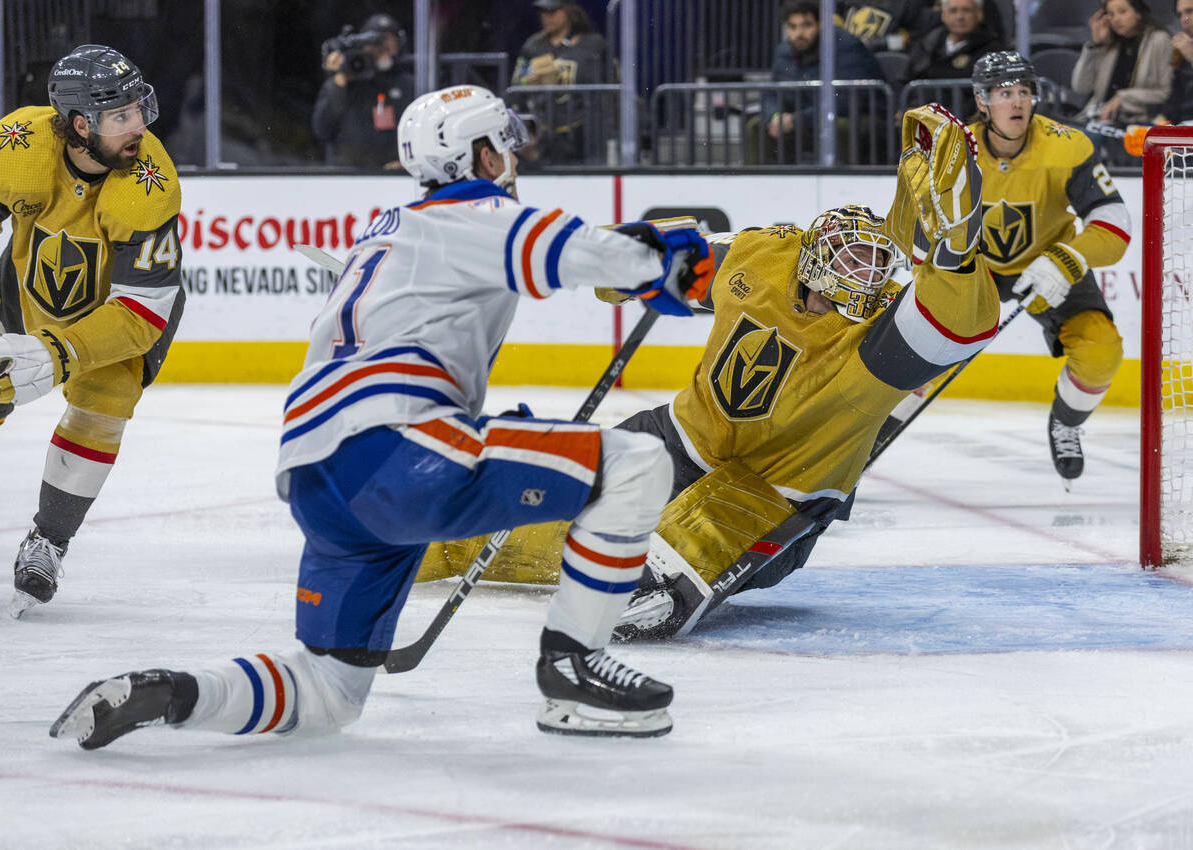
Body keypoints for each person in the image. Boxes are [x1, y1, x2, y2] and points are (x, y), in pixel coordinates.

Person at [49, 85, 716, 750]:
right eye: (503, 145)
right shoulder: (475, 214)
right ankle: (572, 668)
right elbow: (570, 250)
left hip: (321, 479)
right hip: (400, 452)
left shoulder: (386, 235)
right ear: (479, 156)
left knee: (330, 692)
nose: (512, 159)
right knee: (637, 464)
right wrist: (665, 261)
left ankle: (171, 693)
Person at [412, 103, 1000, 641]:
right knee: (539, 512)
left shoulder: (879, 340)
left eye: (877, 262)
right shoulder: (766, 253)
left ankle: (652, 575)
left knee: (644, 589)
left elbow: (956, 324)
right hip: (677, 438)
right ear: (814, 252)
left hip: (776, 491)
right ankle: (423, 543)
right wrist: (626, 264)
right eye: (853, 254)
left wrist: (953, 253)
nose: (866, 272)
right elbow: (685, 257)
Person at [0, 45, 184, 619]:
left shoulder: (150, 180)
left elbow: (145, 310)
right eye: (120, 116)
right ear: (79, 124)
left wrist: (58, 355)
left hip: (116, 312)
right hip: (23, 289)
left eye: (139, 108)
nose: (139, 127)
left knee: (105, 401)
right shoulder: (17, 145)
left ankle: (50, 539)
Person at [969, 52, 1130, 485]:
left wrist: (1067, 258)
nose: (1017, 101)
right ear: (983, 102)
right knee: (922, 340)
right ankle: (876, 424)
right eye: (1005, 93)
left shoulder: (1066, 144)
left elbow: (1114, 221)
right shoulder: (955, 150)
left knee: (1101, 350)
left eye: (1024, 91)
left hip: (1052, 260)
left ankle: (1066, 423)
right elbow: (925, 229)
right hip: (974, 266)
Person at [746, 0, 886, 165]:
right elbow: (772, 94)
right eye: (792, 26)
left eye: (807, 25)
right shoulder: (783, 52)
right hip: (807, 120)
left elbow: (847, 101)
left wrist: (796, 120)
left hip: (861, 118)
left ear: (821, 24)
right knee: (757, 126)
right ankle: (767, 186)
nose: (799, 33)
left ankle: (842, 186)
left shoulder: (846, 46)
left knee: (838, 127)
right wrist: (775, 116)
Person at [510, 0, 612, 164]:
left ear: (569, 11)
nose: (546, 17)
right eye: (543, 12)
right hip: (545, 136)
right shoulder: (533, 46)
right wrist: (526, 83)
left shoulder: (593, 45)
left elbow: (609, 86)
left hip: (585, 134)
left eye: (552, 11)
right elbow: (516, 87)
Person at [311, 13, 416, 169]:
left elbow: (420, 133)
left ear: (399, 44)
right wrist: (339, 80)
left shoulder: (409, 84)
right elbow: (321, 130)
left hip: (395, 175)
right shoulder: (344, 83)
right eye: (374, 41)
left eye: (387, 39)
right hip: (348, 175)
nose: (381, 47)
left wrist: (409, 164)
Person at [1072, 0, 1172, 126]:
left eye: (1122, 12)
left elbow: (1164, 93)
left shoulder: (1158, 40)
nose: (1116, 19)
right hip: (1096, 119)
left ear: (1138, 13)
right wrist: (1095, 45)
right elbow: (1081, 87)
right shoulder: (1109, 43)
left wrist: (1122, 98)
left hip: (1136, 122)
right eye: (1111, 14)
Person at [903, 0, 1005, 116]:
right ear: (943, 15)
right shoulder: (928, 44)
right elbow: (904, 79)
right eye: (953, 11)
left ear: (979, 14)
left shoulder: (993, 52)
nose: (960, 17)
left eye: (966, 10)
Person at [1155, 0, 1193, 123]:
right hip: (1182, 127)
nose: (1184, 19)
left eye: (1190, 11)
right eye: (1180, 15)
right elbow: (1175, 96)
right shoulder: (1184, 47)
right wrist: (1163, 116)